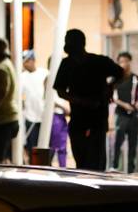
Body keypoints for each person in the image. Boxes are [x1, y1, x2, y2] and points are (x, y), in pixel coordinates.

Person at [53, 28, 123, 171]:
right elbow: (60, 91)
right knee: (84, 161)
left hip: (95, 118)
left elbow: (120, 73)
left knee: (94, 163)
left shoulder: (97, 62)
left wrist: (110, 86)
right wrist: (81, 101)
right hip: (81, 118)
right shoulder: (69, 64)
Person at [112, 51, 138, 173]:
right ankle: (115, 166)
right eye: (121, 61)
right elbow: (113, 97)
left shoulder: (136, 79)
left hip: (133, 115)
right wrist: (124, 104)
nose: (124, 64)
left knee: (133, 143)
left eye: (126, 61)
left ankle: (131, 169)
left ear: (130, 62)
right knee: (118, 141)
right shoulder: (117, 80)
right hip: (121, 114)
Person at [20, 49, 48, 157]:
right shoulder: (22, 77)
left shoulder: (44, 73)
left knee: (44, 147)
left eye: (26, 61)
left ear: (33, 60)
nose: (24, 64)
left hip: (44, 117)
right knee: (32, 147)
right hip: (30, 117)